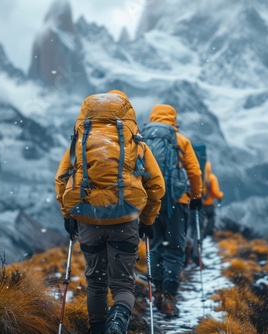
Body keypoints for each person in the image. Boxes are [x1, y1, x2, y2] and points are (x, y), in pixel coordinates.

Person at [55, 90, 165, 334]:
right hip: (125, 218)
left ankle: (97, 329)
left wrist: (68, 215)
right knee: (123, 284)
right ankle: (118, 319)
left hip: (88, 219)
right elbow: (157, 185)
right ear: (127, 115)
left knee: (95, 282)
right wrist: (147, 221)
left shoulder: (80, 141)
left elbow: (61, 178)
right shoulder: (137, 144)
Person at [144, 104, 202, 318]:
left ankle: (157, 291)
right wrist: (196, 197)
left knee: (155, 245)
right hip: (177, 201)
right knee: (175, 249)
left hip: (151, 200)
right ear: (173, 120)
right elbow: (194, 172)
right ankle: (168, 297)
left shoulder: (142, 138)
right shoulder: (181, 141)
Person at [201, 161, 224, 237]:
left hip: (199, 202)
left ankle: (199, 235)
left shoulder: (198, 177)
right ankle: (206, 234)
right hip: (209, 203)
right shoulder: (212, 178)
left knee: (200, 220)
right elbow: (215, 192)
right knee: (211, 218)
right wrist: (220, 195)